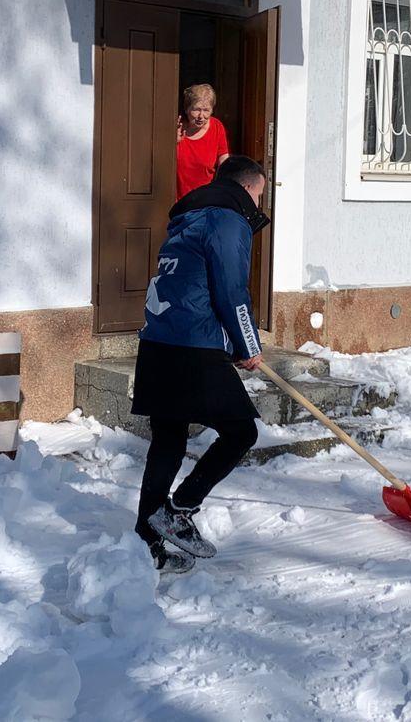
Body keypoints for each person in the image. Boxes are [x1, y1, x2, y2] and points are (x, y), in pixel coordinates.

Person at [133, 155, 269, 574]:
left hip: (157, 343)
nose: (258, 205)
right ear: (247, 189)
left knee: (169, 439)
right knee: (241, 430)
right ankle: (181, 509)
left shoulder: (186, 221)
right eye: (259, 196)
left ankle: (147, 539)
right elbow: (231, 290)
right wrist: (247, 344)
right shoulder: (228, 221)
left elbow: (194, 285)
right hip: (191, 347)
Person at [175, 83, 231, 198]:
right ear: (186, 109)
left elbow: (225, 164)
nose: (201, 116)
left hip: (204, 200)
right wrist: (173, 143)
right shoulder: (176, 127)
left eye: (206, 110)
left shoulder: (216, 127)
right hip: (175, 200)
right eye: (196, 110)